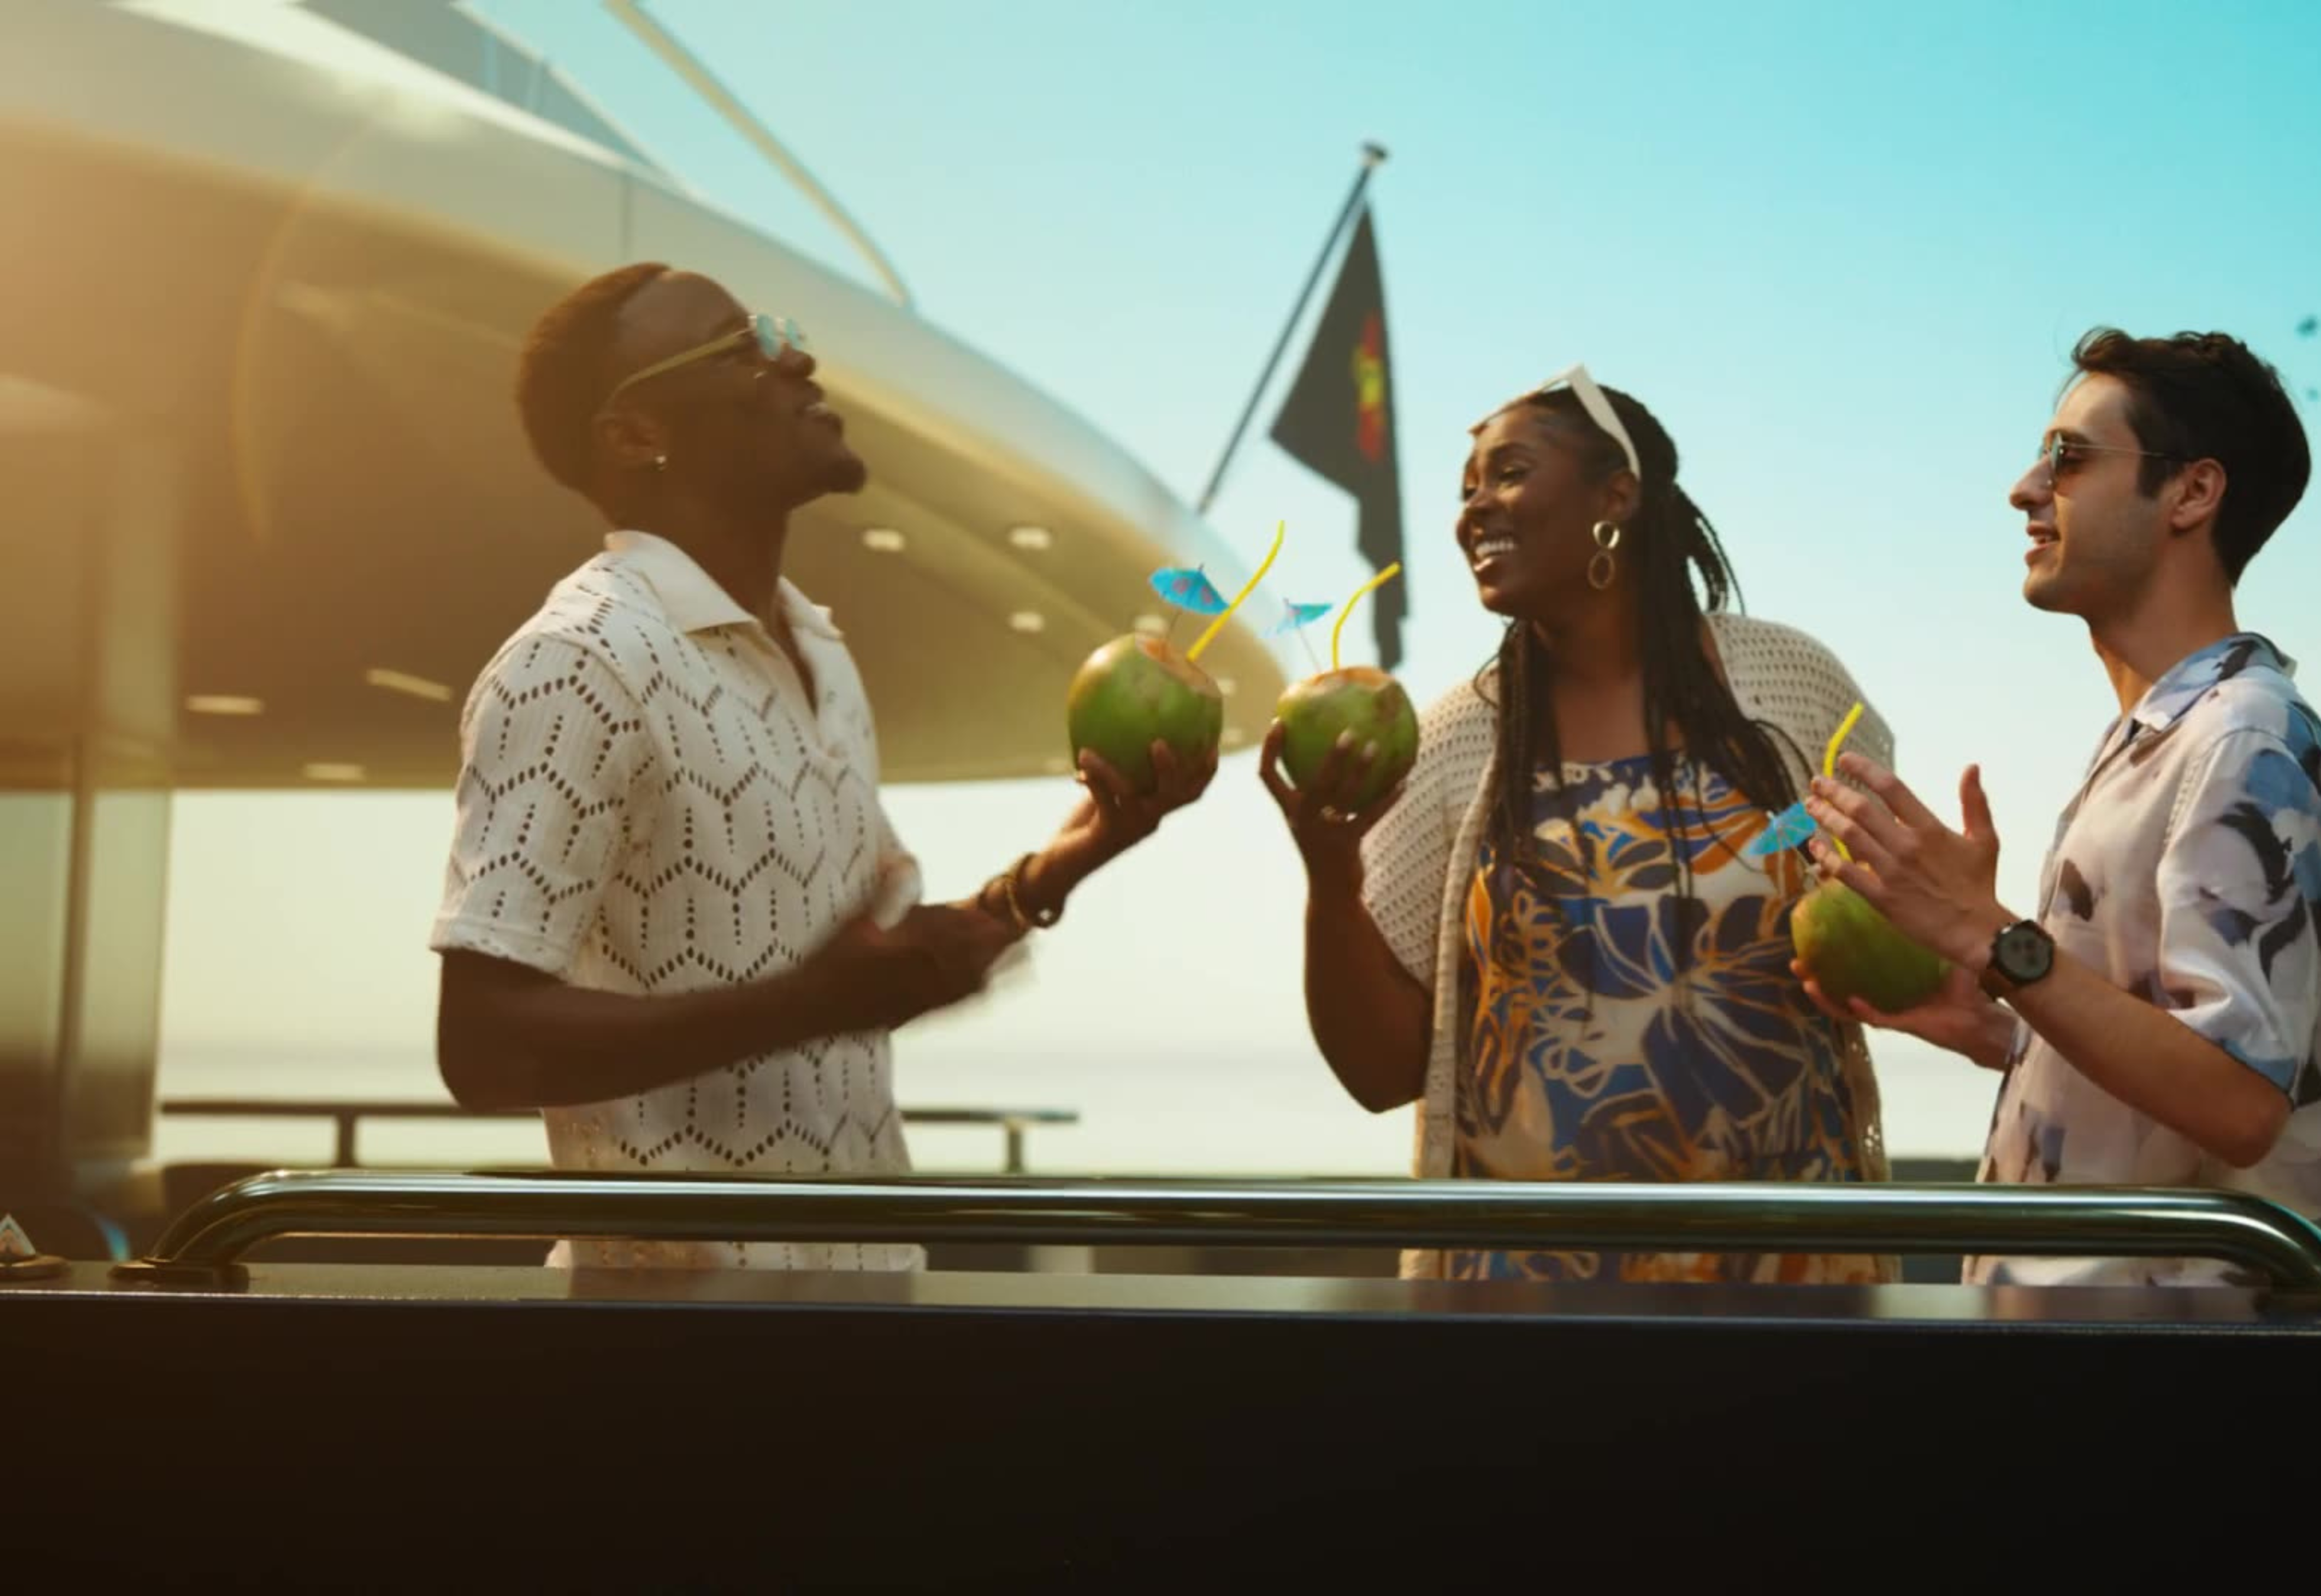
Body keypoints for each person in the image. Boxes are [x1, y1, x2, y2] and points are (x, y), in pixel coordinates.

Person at [430, 264, 1213, 1270]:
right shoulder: (578, 663)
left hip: (865, 1307)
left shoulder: (818, 650)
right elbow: (485, 1046)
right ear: (635, 433)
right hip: (669, 1338)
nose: (794, 356)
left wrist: (1087, 847)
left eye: (776, 331)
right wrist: (812, 1004)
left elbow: (874, 965)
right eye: (743, 347)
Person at [1263, 365, 1899, 1284]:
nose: (1474, 509)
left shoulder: (1793, 690)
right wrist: (1330, 882)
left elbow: (1895, 934)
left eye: (1509, 473)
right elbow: (1380, 1073)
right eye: (1466, 490)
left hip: (1789, 1285)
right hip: (1526, 1306)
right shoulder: (1454, 742)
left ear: (1616, 497)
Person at [1800, 327, 2321, 1287]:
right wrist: (1998, 1025)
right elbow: (2169, 1070)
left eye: (2068, 457)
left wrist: (1988, 937)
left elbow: (2238, 1101)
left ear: (2193, 492)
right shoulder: (2161, 738)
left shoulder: (2245, 740)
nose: (2025, 489)